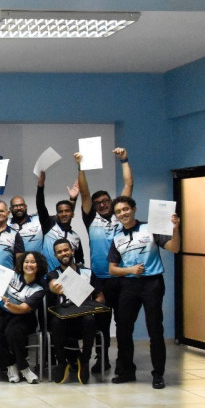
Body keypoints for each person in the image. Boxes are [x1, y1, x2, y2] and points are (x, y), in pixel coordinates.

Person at [108, 196, 180, 389]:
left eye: (125, 209)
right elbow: (112, 269)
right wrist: (129, 270)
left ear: (134, 209)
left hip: (152, 284)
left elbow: (174, 247)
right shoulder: (117, 238)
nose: (122, 213)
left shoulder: (151, 228)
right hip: (128, 285)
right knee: (123, 329)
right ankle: (127, 371)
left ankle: (158, 374)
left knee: (155, 329)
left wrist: (175, 229)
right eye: (118, 211)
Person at [77, 147, 134, 375]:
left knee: (123, 324)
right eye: (98, 202)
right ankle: (102, 360)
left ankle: (124, 362)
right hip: (99, 280)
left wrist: (124, 160)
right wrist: (80, 166)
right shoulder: (91, 218)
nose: (102, 204)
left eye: (105, 201)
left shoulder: (122, 217)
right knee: (101, 324)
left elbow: (128, 185)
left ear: (112, 202)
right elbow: (83, 193)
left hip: (122, 279)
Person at [46, 239, 105, 385]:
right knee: (55, 322)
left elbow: (100, 297)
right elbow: (52, 284)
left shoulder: (87, 273)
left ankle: (84, 361)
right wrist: (55, 286)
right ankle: (61, 362)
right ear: (55, 255)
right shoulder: (54, 274)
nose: (63, 253)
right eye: (59, 252)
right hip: (64, 320)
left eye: (66, 250)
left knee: (89, 319)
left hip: (84, 319)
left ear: (72, 250)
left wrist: (91, 306)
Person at [0, 251, 48, 384]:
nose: (29, 265)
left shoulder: (39, 288)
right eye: (26, 261)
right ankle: (11, 365)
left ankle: (24, 368)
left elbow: (24, 309)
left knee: (13, 331)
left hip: (24, 316)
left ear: (39, 266)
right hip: (2, 312)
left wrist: (10, 305)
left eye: (33, 262)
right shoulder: (11, 275)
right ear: (22, 264)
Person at [36, 170, 83, 269]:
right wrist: (40, 186)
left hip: (68, 280)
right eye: (60, 212)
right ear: (57, 214)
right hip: (48, 277)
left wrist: (73, 199)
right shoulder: (49, 225)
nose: (64, 214)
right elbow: (40, 206)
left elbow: (79, 261)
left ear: (72, 214)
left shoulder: (76, 237)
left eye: (67, 211)